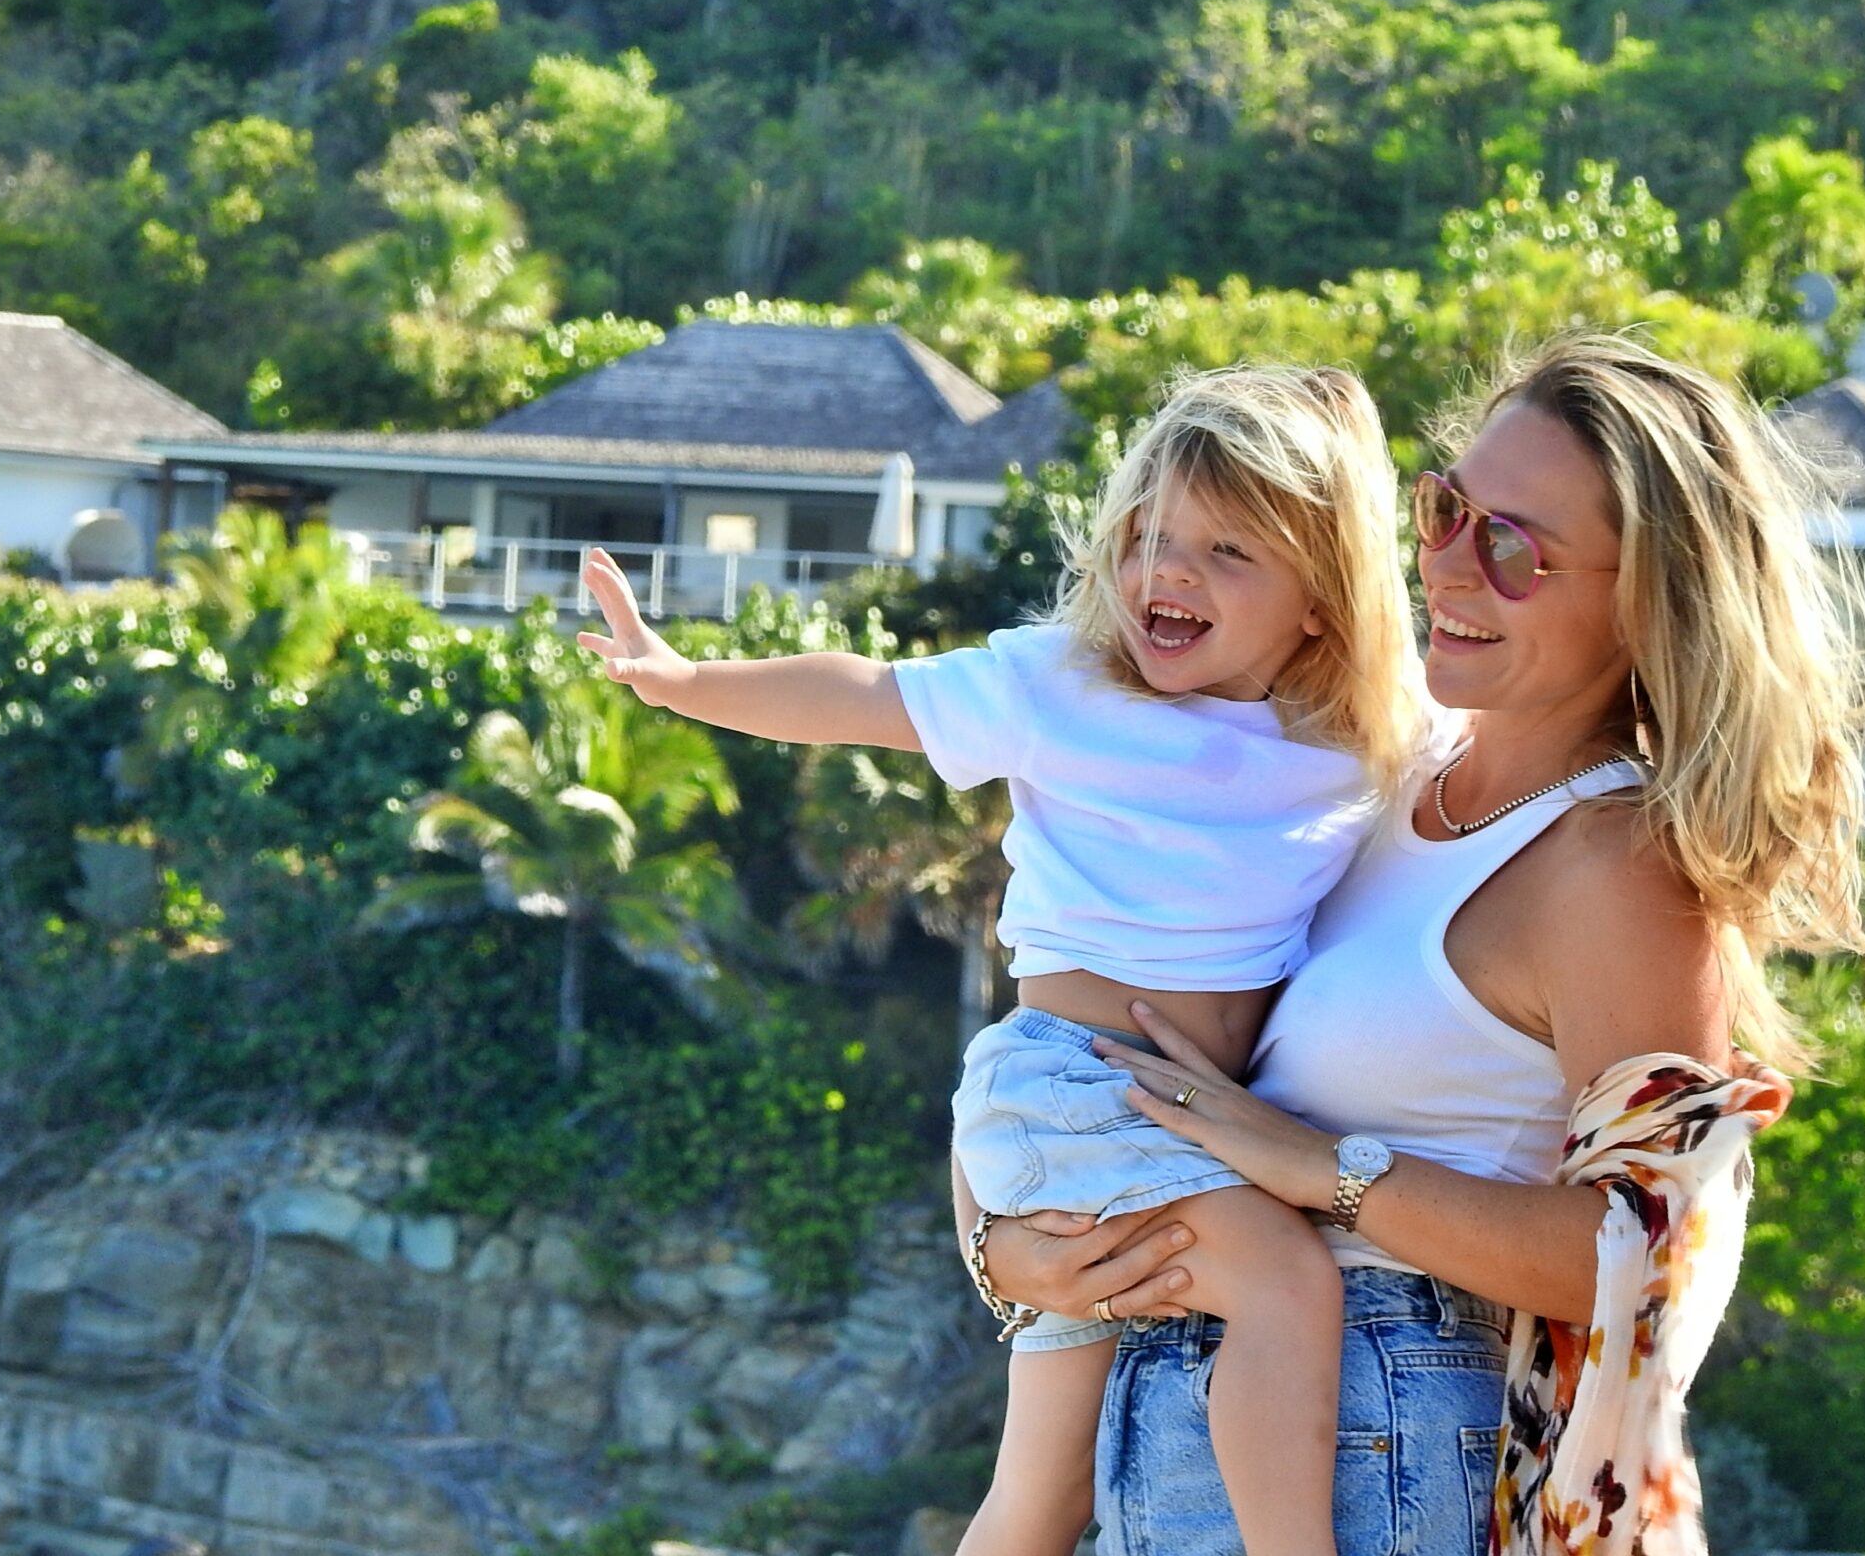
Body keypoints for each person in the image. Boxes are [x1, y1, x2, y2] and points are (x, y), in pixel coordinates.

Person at [967, 332, 1865, 1555]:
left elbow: (1651, 1263)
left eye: (1514, 548)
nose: (1448, 567)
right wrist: (1006, 1245)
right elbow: (1079, 1039)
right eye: (1446, 510)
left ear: (1646, 595)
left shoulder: (1615, 870)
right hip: (1193, 1414)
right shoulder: (1372, 779)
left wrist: (1325, 1171)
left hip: (1379, 1440)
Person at [576, 366, 1423, 1556]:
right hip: (1074, 1090)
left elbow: (1519, 728)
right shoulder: (1061, 687)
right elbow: (865, 694)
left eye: (1227, 554)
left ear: (1322, 604)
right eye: (1147, 538)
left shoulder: (1360, 746)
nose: (1165, 575)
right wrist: (682, 680)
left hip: (1157, 1121)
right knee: (1284, 1289)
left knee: (1038, 1495)